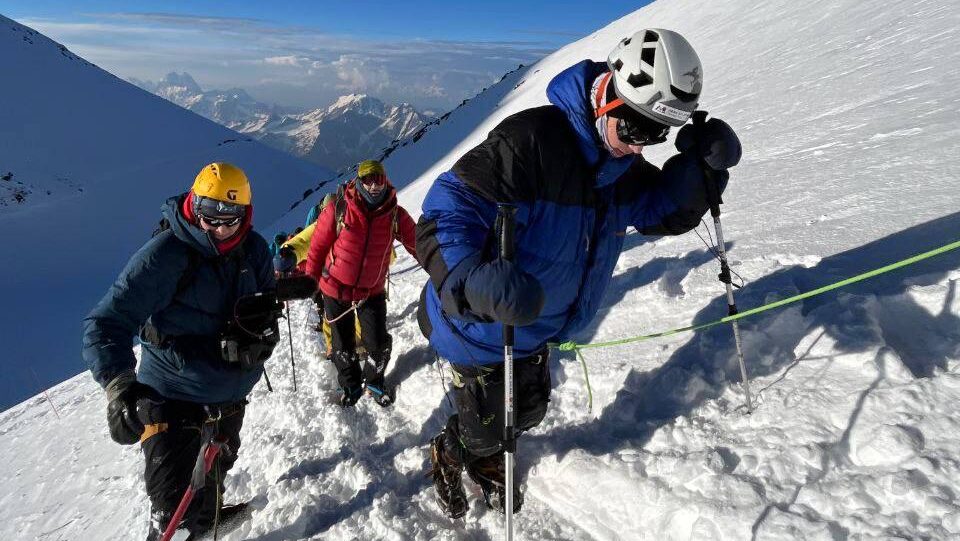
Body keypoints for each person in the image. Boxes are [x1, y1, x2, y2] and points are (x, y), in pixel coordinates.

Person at [415, 28, 742, 518]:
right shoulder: (532, 141)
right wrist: (468, 278)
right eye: (636, 130)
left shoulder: (616, 164)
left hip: (535, 327)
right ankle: (455, 452)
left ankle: (478, 449)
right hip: (479, 323)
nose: (640, 147)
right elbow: (448, 207)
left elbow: (659, 211)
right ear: (610, 97)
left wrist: (700, 171)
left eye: (657, 134)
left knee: (528, 409)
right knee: (490, 421)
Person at [82, 162, 280, 540]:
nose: (219, 229)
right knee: (173, 514)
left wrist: (261, 336)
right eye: (210, 216)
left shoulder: (252, 250)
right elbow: (106, 322)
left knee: (212, 481)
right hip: (170, 397)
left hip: (230, 398)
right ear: (194, 205)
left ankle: (207, 521)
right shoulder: (166, 255)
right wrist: (120, 386)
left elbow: (265, 304)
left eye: (231, 219)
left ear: (246, 215)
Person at [302, 160, 418, 407]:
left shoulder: (394, 213)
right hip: (334, 288)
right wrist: (310, 280)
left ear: (385, 180)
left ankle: (375, 380)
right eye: (368, 179)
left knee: (377, 342)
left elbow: (417, 242)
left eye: (378, 179)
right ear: (358, 181)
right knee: (342, 344)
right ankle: (351, 385)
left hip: (370, 291)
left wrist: (440, 269)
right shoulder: (338, 208)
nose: (374, 185)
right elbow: (318, 247)